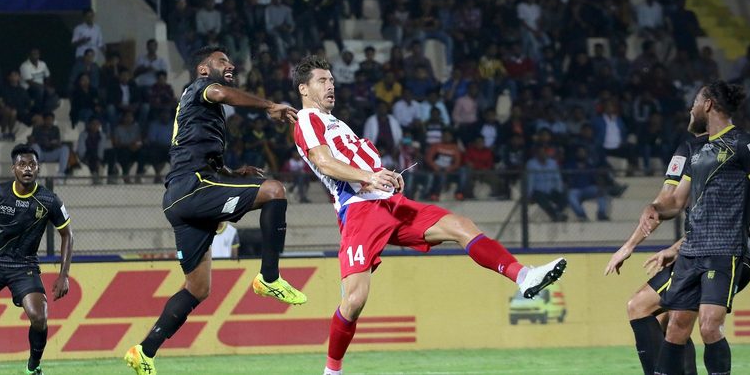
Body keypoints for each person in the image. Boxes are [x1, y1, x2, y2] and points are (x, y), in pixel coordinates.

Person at [290, 55, 567, 375]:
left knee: (460, 225)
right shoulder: (307, 119)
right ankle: (332, 371)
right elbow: (324, 162)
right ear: (304, 89)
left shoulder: (335, 122)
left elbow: (355, 161)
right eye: (322, 81)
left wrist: (384, 176)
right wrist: (369, 177)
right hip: (359, 210)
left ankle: (523, 276)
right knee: (354, 301)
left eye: (332, 81)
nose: (331, 86)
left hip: (389, 203)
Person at [124, 45, 307, 375]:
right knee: (275, 191)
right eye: (222, 61)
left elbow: (195, 151)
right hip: (193, 188)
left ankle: (143, 352)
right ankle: (269, 277)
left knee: (197, 288)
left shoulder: (199, 109)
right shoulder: (201, 88)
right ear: (203, 69)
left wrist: (230, 173)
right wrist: (269, 106)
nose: (230, 64)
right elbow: (222, 94)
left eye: (230, 60)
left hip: (180, 198)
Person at [633, 81, 750, 375]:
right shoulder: (695, 149)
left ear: (707, 104)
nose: (691, 108)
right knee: (676, 327)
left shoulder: (745, 144)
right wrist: (654, 208)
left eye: (695, 102)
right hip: (691, 252)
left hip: (725, 249)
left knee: (709, 325)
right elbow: (675, 202)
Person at [605, 132, 750, 374]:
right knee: (667, 321)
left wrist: (632, 246)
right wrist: (673, 248)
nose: (690, 113)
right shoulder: (702, 150)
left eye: (693, 109)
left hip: (729, 253)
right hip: (702, 250)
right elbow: (678, 205)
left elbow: (704, 214)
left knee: (655, 312)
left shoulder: (718, 149)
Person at [0, 144, 74, 375]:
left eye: (32, 164)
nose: (27, 169)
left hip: (25, 266)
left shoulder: (49, 200)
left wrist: (64, 275)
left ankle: (33, 367)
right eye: (22, 164)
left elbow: (67, 234)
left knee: (39, 317)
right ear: (14, 168)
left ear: (38, 168)